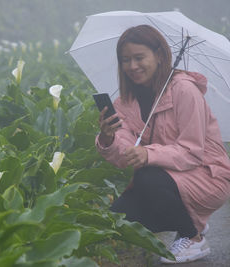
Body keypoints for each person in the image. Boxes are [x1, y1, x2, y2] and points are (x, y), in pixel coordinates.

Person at [95, 24, 230, 264]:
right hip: (168, 177)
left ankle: (193, 238)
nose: (133, 66)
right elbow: (124, 155)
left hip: (208, 176)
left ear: (159, 56)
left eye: (139, 58)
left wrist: (147, 154)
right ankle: (189, 219)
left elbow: (191, 153)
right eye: (126, 60)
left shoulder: (185, 91)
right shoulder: (126, 101)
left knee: (147, 177)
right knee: (120, 217)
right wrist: (109, 138)